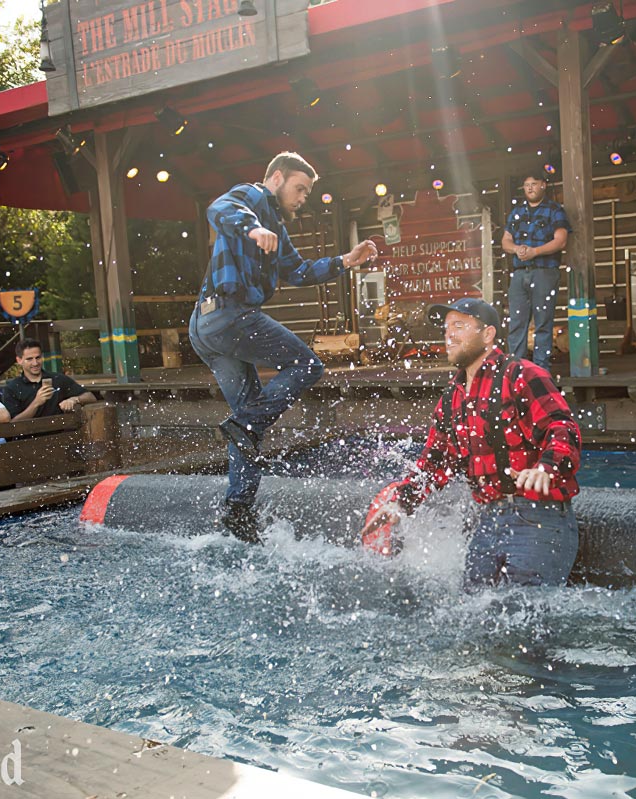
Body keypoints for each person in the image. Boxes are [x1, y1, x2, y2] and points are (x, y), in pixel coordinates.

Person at [189, 151, 378, 535]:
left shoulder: (277, 227)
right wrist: (252, 228)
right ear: (276, 178)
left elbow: (300, 271)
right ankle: (245, 425)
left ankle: (238, 509)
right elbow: (218, 208)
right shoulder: (252, 199)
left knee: (247, 421)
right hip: (229, 317)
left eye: (307, 192)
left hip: (208, 327)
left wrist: (346, 259)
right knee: (308, 365)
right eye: (300, 188)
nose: (303, 197)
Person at [360, 298, 582, 587]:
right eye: (447, 327)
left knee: (528, 619)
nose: (449, 334)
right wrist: (400, 504)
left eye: (460, 326)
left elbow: (562, 427)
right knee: (475, 612)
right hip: (489, 521)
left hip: (539, 518)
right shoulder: (452, 398)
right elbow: (434, 462)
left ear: (488, 334)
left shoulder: (521, 374)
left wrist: (545, 467)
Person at [501, 167, 570, 373]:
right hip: (520, 272)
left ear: (543, 185)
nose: (530, 188)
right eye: (527, 185)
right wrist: (517, 249)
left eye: (534, 184)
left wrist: (535, 251)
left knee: (543, 322)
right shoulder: (517, 212)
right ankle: (516, 369)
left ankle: (541, 369)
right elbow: (505, 241)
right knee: (516, 322)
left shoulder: (554, 209)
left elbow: (561, 241)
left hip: (544, 271)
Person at [2, 339, 96, 420]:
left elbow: (90, 397)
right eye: (29, 359)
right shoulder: (12, 388)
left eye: (38, 358)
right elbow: (14, 424)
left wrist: (74, 399)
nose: (35, 363)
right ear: (19, 360)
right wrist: (36, 403)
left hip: (60, 435)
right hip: (30, 439)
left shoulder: (58, 379)